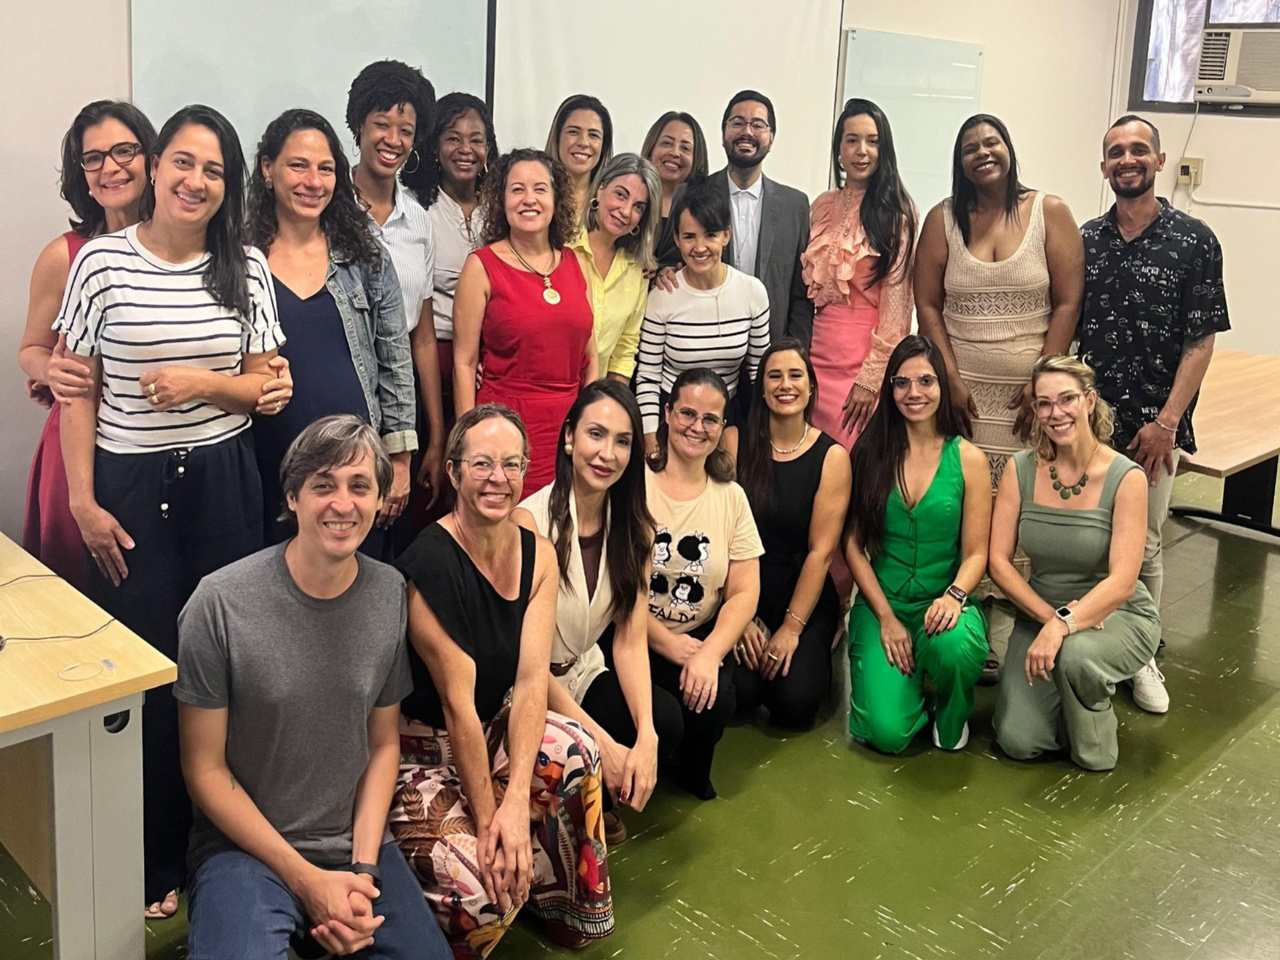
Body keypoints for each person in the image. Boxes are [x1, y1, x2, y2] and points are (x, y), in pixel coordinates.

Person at [55, 104, 289, 918]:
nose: (196, 181)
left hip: (226, 481)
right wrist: (82, 501)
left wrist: (199, 383)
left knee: (220, 666)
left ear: (229, 188)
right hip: (127, 490)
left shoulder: (247, 267)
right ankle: (153, 852)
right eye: (184, 163)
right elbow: (74, 391)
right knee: (147, 671)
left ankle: (215, 842)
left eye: (215, 170)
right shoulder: (102, 265)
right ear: (156, 168)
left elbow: (264, 388)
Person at [175, 415, 450, 960]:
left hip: (353, 843)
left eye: (359, 487)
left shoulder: (390, 593)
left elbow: (383, 743)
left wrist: (363, 873)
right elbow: (203, 768)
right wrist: (306, 882)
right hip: (244, 848)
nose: (342, 504)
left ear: (379, 502)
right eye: (323, 485)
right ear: (293, 496)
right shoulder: (219, 604)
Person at [391, 405, 612, 956]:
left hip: (491, 729)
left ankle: (552, 899)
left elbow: (533, 681)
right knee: (481, 885)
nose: (498, 478)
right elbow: (457, 707)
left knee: (579, 750)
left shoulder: (536, 553)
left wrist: (514, 803)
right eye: (483, 464)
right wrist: (493, 822)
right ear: (454, 471)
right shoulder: (429, 565)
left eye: (512, 465)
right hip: (421, 753)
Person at [915, 114, 1084, 680]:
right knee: (972, 503)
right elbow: (929, 305)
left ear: (1009, 149)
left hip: (1030, 404)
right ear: (958, 161)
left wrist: (1040, 386)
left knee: (1022, 500)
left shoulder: (1049, 213)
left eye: (992, 142)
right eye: (970, 147)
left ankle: (1020, 620)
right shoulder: (943, 219)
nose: (982, 153)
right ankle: (977, 618)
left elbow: (1067, 303)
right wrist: (952, 380)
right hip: (963, 400)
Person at [1077, 115, 1230, 716]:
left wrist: (1166, 421)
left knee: (1142, 546)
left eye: (1138, 150)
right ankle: (1090, 642)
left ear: (1160, 161)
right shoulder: (1086, 239)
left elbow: (1201, 341)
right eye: (1115, 152)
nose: (1127, 159)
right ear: (1104, 167)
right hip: (1087, 428)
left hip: (1154, 431)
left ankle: (1141, 656)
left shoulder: (1195, 240)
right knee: (1089, 543)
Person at [514, 379, 680, 845]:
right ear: (568, 438)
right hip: (528, 683)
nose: (607, 452)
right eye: (596, 434)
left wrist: (645, 735)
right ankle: (577, 806)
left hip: (582, 669)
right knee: (591, 748)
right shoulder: (529, 523)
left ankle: (595, 798)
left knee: (665, 721)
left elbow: (628, 642)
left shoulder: (636, 531)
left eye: (623, 441)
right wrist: (603, 744)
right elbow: (525, 664)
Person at [248, 108, 416, 558]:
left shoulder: (365, 257)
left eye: (326, 169)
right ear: (268, 169)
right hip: (266, 466)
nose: (313, 181)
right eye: (298, 165)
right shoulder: (240, 259)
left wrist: (399, 461)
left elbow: (395, 360)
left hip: (357, 474)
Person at [992, 356, 1159, 770]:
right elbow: (997, 561)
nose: (1055, 413)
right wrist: (1051, 619)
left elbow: (1122, 581)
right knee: (1018, 740)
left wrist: (1065, 624)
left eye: (1066, 399)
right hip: (1040, 613)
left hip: (1114, 612)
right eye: (1043, 404)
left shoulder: (1127, 477)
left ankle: (1095, 719)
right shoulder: (1020, 469)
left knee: (1076, 657)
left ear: (1089, 401)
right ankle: (1068, 696)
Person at [18, 100, 157, 589]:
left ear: (151, 158)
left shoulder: (191, 249)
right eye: (93, 157)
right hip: (74, 451)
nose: (110, 167)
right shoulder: (64, 255)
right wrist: (48, 371)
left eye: (124, 150)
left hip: (154, 451)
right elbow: (32, 348)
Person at [843, 336, 991, 753]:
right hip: (882, 605)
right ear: (890, 390)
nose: (914, 393)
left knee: (954, 645)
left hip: (943, 600)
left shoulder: (968, 460)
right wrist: (886, 618)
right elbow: (853, 546)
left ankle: (951, 708)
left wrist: (956, 596)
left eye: (925, 381)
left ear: (942, 386)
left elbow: (977, 551)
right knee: (888, 735)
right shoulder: (870, 453)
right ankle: (909, 693)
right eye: (902, 383)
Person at [645, 368, 763, 799]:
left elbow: (745, 590)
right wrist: (665, 643)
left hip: (699, 638)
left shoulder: (731, 497)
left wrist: (709, 653)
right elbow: (614, 588)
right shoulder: (634, 486)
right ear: (667, 413)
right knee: (664, 720)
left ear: (722, 428)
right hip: (636, 635)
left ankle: (686, 760)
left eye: (710, 419)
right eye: (687, 414)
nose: (697, 427)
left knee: (716, 706)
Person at [452, 148, 597, 493]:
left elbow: (591, 357)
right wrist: (466, 442)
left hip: (568, 432)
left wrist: (589, 426)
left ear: (556, 198)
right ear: (501, 201)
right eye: (517, 189)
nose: (528, 199)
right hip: (502, 430)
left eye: (540, 189)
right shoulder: (481, 266)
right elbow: (464, 362)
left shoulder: (576, 264)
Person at [726, 340, 850, 729]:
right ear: (761, 388)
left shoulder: (832, 457)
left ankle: (823, 643)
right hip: (743, 590)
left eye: (795, 375)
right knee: (739, 697)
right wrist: (738, 618)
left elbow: (821, 553)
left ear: (811, 386)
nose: (785, 385)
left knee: (794, 706)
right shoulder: (735, 441)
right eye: (774, 375)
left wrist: (791, 629)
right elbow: (721, 535)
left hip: (802, 595)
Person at [347, 60, 446, 520]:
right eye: (381, 124)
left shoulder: (418, 221)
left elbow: (422, 337)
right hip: (342, 393)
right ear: (358, 125)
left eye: (405, 130)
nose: (392, 140)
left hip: (401, 406)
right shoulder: (327, 209)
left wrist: (437, 434)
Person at [802, 98, 916, 451]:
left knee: (851, 463)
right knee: (812, 461)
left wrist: (872, 379)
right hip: (816, 353)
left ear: (885, 149)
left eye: (872, 140)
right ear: (838, 148)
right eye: (851, 140)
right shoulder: (820, 205)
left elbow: (898, 309)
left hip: (864, 358)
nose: (861, 150)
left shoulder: (897, 211)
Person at [658, 90, 812, 345]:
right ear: (723, 134)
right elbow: (671, 263)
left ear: (771, 138)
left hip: (770, 357)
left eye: (758, 125)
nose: (747, 132)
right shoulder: (690, 193)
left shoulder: (794, 205)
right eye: (737, 122)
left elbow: (800, 295)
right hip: (702, 349)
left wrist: (796, 352)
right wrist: (664, 271)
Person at [637, 176, 770, 455]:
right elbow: (648, 377)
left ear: (726, 235)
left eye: (710, 234)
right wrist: (651, 438)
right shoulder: (663, 295)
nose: (699, 247)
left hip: (726, 417)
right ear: (676, 239)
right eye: (689, 236)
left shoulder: (752, 292)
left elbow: (760, 374)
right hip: (671, 415)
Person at [415, 92, 499, 522]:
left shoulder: (500, 208)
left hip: (492, 362)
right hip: (437, 358)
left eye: (476, 139)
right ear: (434, 145)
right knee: (437, 482)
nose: (465, 150)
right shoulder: (418, 209)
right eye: (452, 138)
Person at [569, 153, 661, 381]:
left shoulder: (638, 271)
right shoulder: (561, 248)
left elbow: (624, 351)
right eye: (620, 195)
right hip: (546, 391)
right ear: (600, 189)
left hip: (594, 401)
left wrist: (610, 408)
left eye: (638, 207)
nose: (626, 212)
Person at [640, 111, 708, 262]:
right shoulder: (629, 201)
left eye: (685, 148)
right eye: (666, 143)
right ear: (651, 148)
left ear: (696, 158)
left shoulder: (705, 211)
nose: (675, 153)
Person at [544, 94, 613, 219]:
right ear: (557, 138)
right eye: (573, 132)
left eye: (593, 135)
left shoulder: (611, 204)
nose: (583, 142)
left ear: (604, 145)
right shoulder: (536, 197)